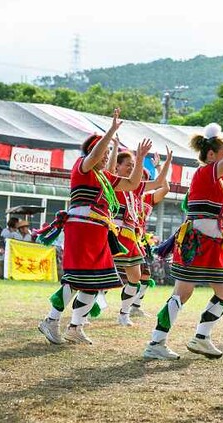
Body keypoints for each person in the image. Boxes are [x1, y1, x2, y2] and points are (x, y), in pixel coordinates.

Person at [143, 115, 223, 360]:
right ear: (211, 155)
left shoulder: (215, 177)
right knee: (212, 292)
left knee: (192, 293)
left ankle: (174, 339)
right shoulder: (207, 172)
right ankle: (195, 337)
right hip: (200, 243)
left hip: (204, 242)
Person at [37, 109, 152, 346]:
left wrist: (140, 159)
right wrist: (110, 132)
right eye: (105, 152)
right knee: (76, 279)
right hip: (82, 228)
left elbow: (132, 183)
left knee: (96, 282)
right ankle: (51, 319)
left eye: (109, 152)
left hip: (99, 231)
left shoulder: (104, 178)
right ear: (94, 151)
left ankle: (75, 327)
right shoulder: (83, 166)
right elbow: (97, 152)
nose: (107, 156)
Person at [112, 147, 172, 327]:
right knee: (98, 276)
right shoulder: (115, 184)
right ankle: (80, 312)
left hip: (135, 238)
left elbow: (164, 186)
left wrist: (162, 164)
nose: (141, 179)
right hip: (112, 234)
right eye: (130, 167)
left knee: (139, 276)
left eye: (144, 177)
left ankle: (127, 311)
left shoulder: (144, 196)